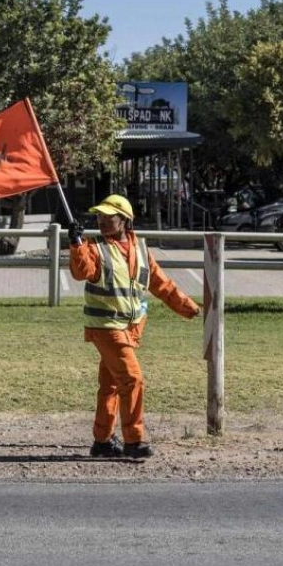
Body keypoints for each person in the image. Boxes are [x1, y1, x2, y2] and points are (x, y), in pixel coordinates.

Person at [68, 193, 201, 459]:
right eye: (100, 217)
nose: (102, 221)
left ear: (125, 221)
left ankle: (102, 442)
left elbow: (161, 284)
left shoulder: (141, 250)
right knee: (132, 380)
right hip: (106, 327)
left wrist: (188, 308)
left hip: (130, 329)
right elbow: (81, 272)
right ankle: (134, 441)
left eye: (109, 217)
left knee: (112, 385)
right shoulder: (95, 247)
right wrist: (76, 243)